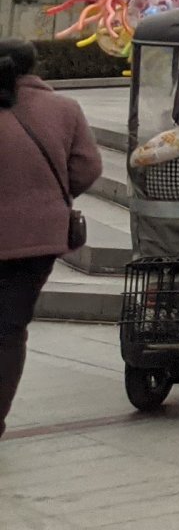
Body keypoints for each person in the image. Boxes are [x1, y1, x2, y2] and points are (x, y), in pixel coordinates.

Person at [0, 37, 101, 434]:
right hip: (37, 240)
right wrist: (46, 199)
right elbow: (88, 167)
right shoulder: (64, 108)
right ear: (33, 67)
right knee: (9, 330)